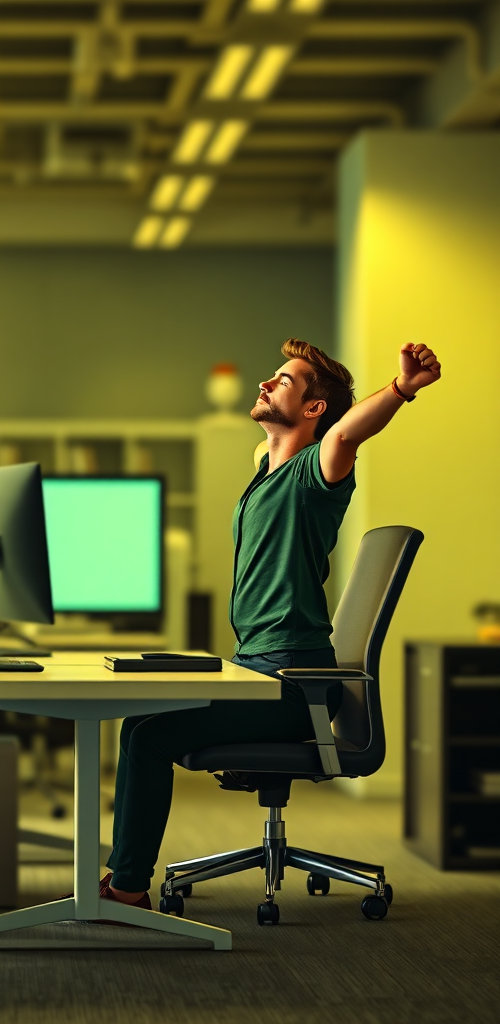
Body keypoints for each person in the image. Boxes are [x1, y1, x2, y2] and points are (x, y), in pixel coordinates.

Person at [97, 340, 442, 910]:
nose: (265, 383)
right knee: (138, 723)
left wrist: (402, 389)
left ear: (313, 409)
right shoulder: (264, 470)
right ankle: (121, 878)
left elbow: (345, 434)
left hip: (292, 686)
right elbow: (275, 449)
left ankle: (128, 891)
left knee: (152, 738)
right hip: (253, 668)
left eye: (284, 380)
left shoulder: (317, 472)